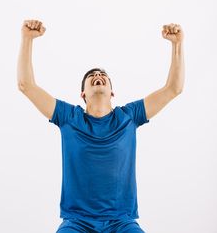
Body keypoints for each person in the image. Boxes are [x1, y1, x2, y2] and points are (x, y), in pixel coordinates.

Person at [17, 19, 185, 233]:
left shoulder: (129, 116)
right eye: (91, 76)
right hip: (76, 223)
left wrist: (177, 44)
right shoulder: (68, 117)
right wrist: (27, 39)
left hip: (122, 222)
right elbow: (26, 85)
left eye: (102, 75)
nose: (98, 76)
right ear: (83, 94)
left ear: (112, 92)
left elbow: (174, 88)